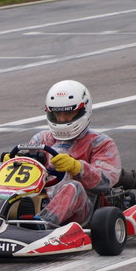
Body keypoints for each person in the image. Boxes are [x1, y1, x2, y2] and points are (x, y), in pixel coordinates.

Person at [24, 79, 121, 225]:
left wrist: (78, 168)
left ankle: (43, 224)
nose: (62, 119)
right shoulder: (41, 139)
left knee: (73, 187)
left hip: (83, 209)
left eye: (69, 113)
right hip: (41, 199)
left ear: (83, 110)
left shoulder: (100, 143)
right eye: (57, 114)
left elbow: (106, 181)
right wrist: (14, 162)